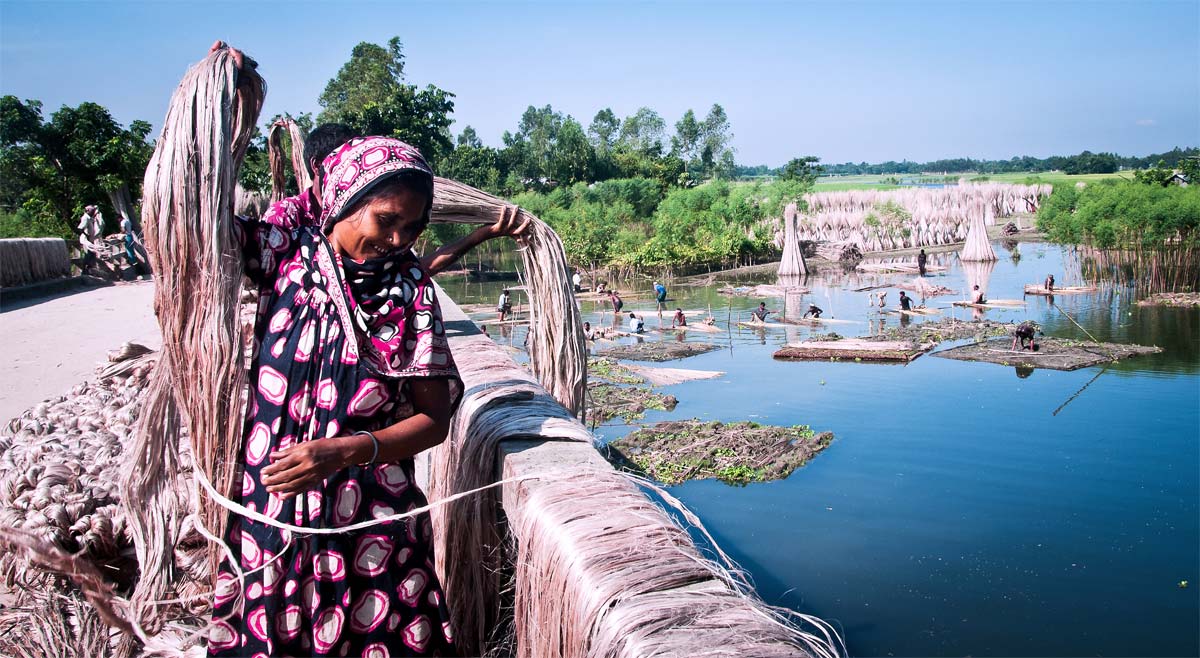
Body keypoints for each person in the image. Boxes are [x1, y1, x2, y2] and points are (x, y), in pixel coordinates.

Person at [213, 135, 459, 656]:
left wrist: (345, 451)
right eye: (386, 220)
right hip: (275, 505)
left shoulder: (410, 289)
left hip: (373, 522)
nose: (398, 239)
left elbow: (435, 420)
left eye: (412, 227)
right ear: (346, 201)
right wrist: (226, 104)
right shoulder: (285, 257)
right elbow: (196, 224)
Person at [261, 121, 529, 276]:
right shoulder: (288, 219)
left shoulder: (379, 230)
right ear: (319, 165)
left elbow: (414, 272)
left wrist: (481, 235)